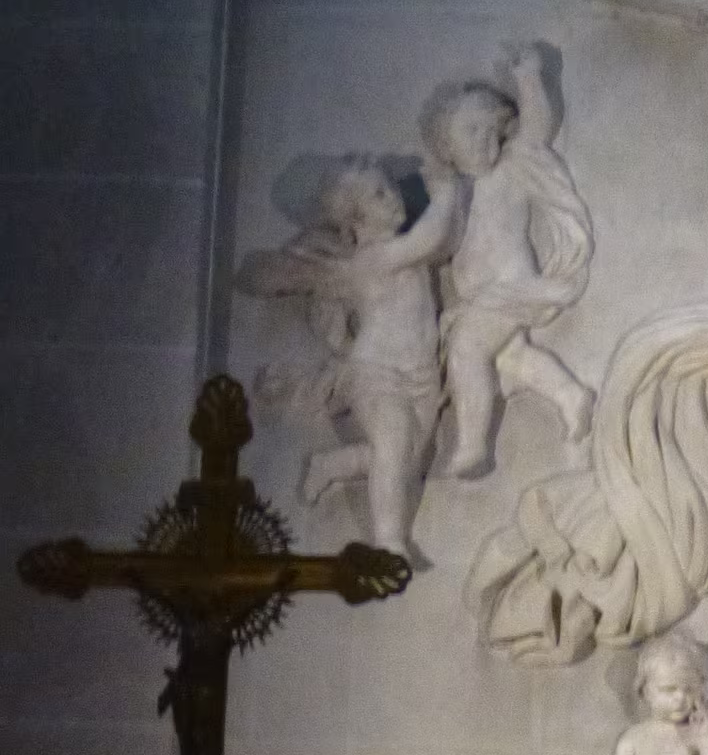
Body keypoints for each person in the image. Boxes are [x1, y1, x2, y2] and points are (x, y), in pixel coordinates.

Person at [237, 158, 457, 558]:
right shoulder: (375, 259)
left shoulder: (399, 250)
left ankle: (332, 465)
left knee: (404, 459)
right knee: (393, 443)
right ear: (356, 220)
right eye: (378, 194)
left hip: (423, 375)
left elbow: (438, 243)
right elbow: (431, 237)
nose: (393, 196)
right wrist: (445, 192)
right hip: (378, 374)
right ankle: (390, 543)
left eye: (389, 187)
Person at [423, 43, 595, 476]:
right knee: (511, 357)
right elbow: (440, 245)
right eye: (470, 132)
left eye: (490, 130)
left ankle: (472, 447)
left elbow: (536, 129)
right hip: (484, 294)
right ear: (447, 147)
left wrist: (529, 77)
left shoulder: (511, 169)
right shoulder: (455, 193)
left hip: (510, 288)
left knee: (467, 349)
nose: (484, 140)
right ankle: (571, 396)